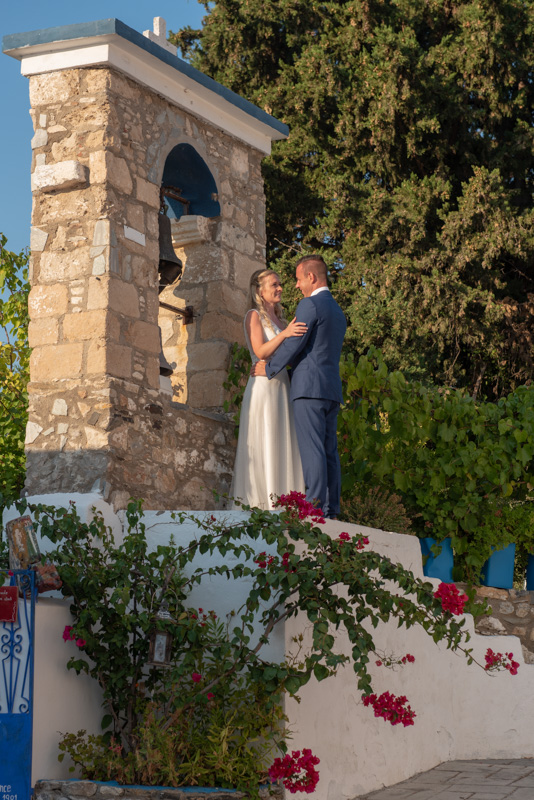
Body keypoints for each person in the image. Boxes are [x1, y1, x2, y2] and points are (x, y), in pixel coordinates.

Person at [252, 255, 346, 519]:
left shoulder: (309, 304)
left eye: (298, 279)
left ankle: (314, 510)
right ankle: (331, 510)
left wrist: (269, 368)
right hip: (331, 389)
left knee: (312, 449)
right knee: (329, 451)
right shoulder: (338, 311)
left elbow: (295, 343)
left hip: (308, 388)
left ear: (311, 277)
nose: (296, 285)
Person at [230, 269, 307, 509]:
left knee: (283, 442)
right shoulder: (253, 316)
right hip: (263, 388)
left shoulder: (282, 321)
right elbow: (260, 351)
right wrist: (285, 334)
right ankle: (264, 504)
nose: (280, 288)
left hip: (283, 387)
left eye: (279, 284)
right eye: (274, 284)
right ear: (259, 290)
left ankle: (286, 503)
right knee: (266, 441)